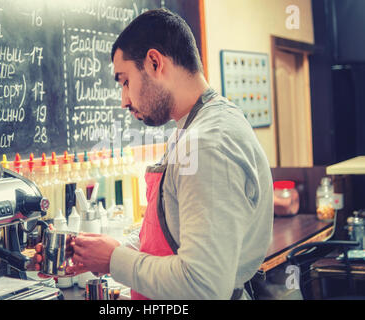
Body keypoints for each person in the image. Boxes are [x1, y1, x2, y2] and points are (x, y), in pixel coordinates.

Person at [67, 8, 274, 300]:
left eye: (125, 81)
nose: (123, 100)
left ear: (154, 62)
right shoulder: (193, 128)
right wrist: (107, 249)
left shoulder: (207, 144)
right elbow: (173, 222)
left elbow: (203, 286)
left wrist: (114, 260)